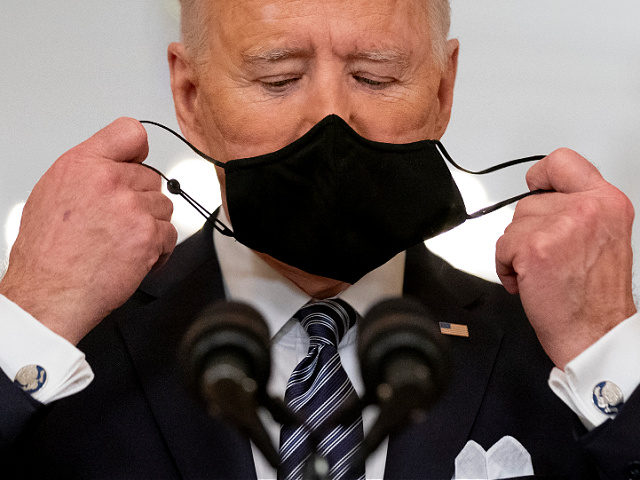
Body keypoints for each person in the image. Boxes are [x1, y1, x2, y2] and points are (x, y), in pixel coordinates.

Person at [1, 0, 638, 478]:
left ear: (442, 89)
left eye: (376, 77)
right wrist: (32, 312)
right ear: (189, 96)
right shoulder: (68, 350)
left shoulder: (552, 354)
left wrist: (608, 348)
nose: (331, 118)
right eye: (278, 79)